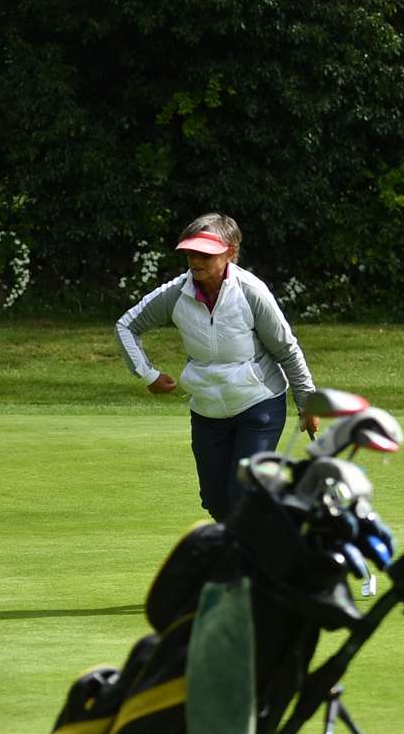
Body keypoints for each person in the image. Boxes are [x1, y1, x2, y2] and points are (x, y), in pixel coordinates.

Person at [114, 213, 319, 523]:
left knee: (243, 496)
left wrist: (308, 402)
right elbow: (126, 325)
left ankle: (263, 561)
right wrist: (148, 374)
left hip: (259, 404)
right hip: (208, 411)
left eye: (205, 254)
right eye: (191, 254)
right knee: (215, 501)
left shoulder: (251, 292)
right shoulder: (176, 294)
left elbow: (286, 348)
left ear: (230, 252)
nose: (196, 261)